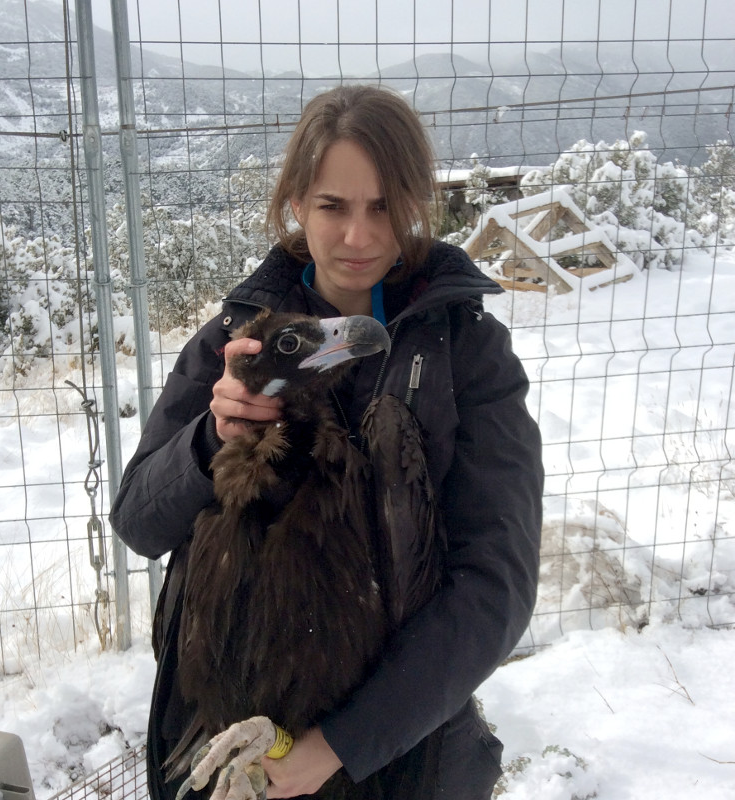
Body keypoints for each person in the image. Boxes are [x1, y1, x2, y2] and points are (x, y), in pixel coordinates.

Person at [109, 84, 543, 800]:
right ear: (296, 205)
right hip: (225, 733)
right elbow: (137, 523)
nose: (359, 237)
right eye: (333, 206)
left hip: (399, 751)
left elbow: (496, 582)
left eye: (383, 206)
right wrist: (209, 440)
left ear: (416, 201)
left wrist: (341, 744)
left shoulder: (467, 352)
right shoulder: (235, 342)